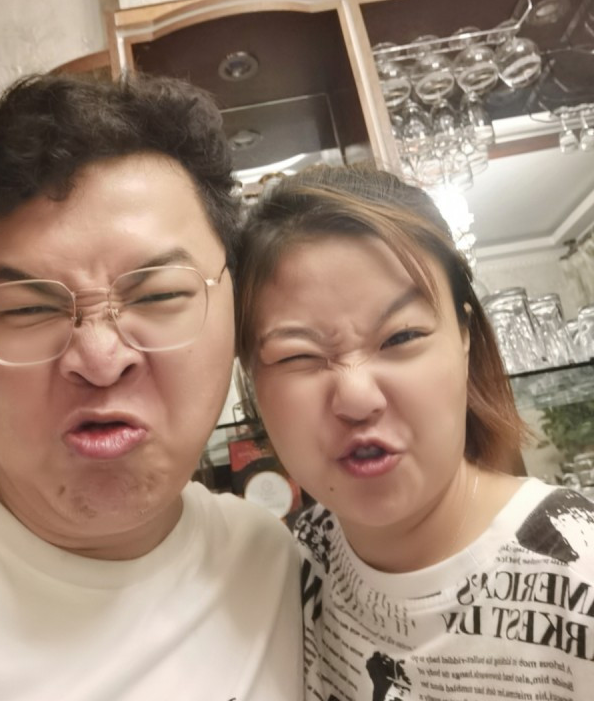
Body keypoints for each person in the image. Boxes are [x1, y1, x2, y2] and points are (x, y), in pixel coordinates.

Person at [0, 73, 302, 700]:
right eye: (28, 309)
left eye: (158, 296)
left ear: (235, 304)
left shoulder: (272, 569)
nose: (100, 360)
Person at [235, 163, 594, 701]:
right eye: (298, 355)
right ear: (252, 384)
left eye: (401, 336)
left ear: (465, 336)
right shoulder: (292, 566)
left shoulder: (578, 567)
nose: (357, 398)